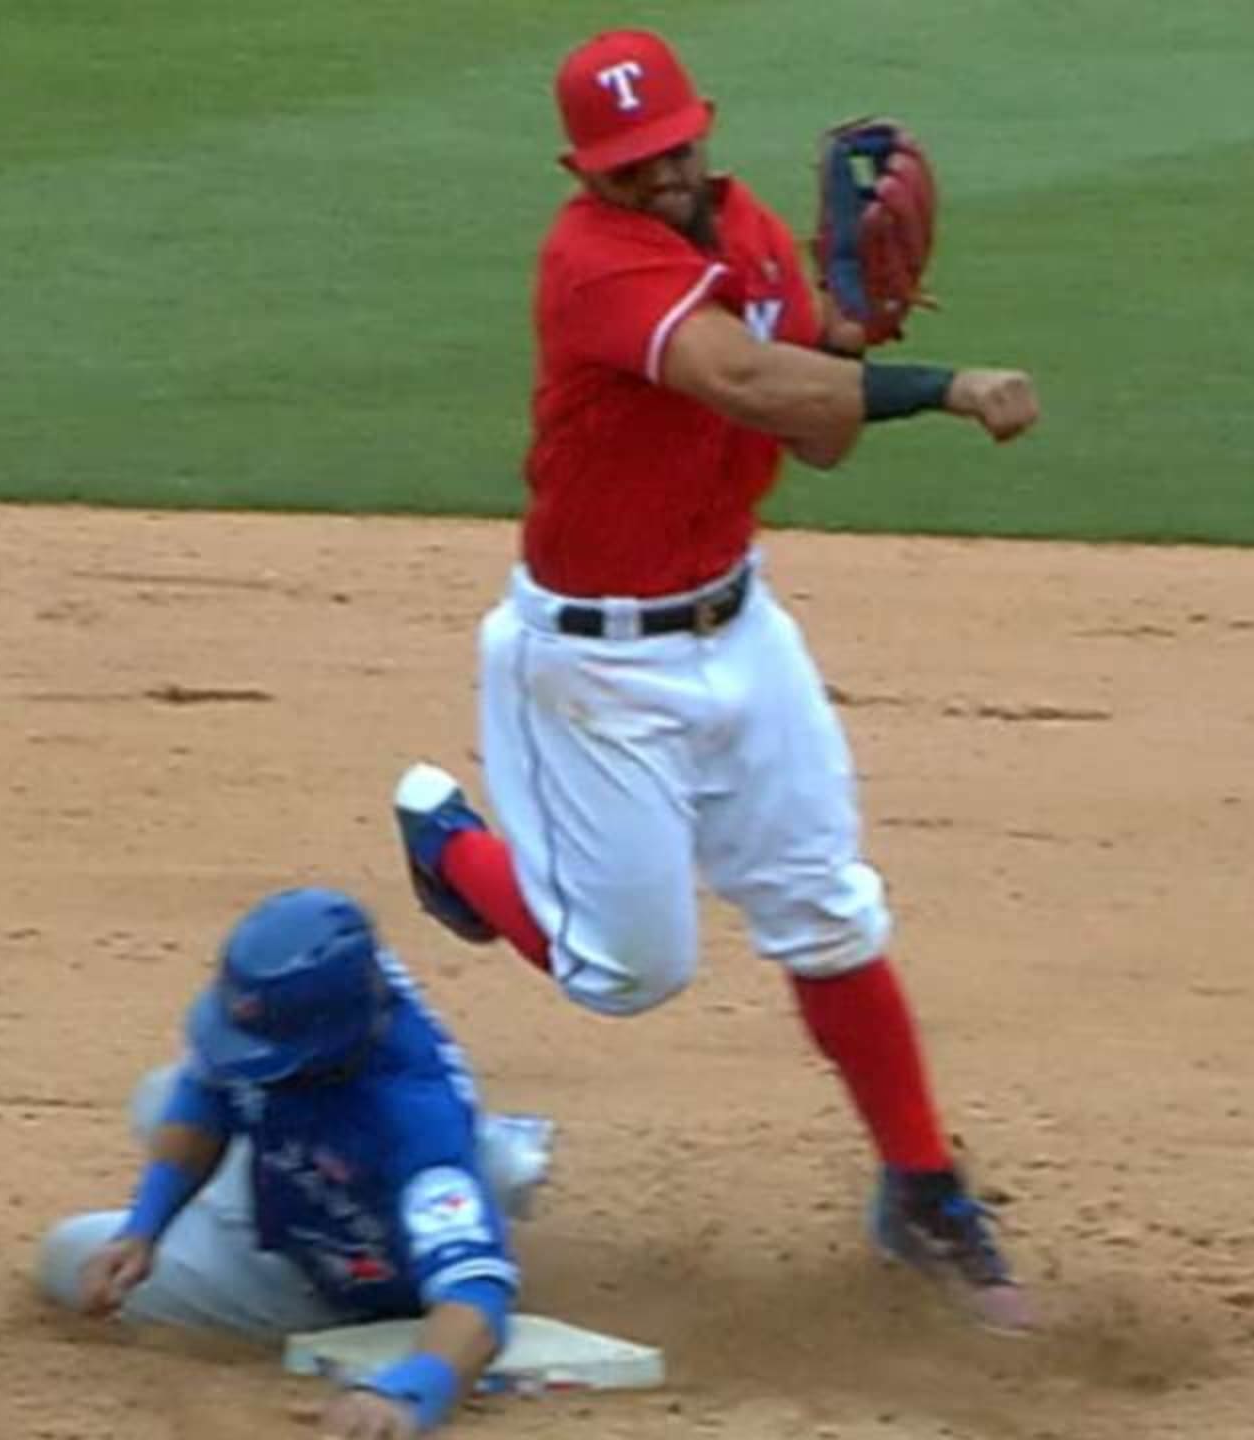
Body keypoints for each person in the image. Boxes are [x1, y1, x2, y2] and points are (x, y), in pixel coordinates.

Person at [390, 28, 1042, 1337]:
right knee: (627, 975)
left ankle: (921, 1189)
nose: (664, 181)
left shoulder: (745, 228)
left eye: (675, 151)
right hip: (588, 663)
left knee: (829, 911)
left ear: (702, 129)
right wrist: (943, 382)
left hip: (739, 625)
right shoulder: (590, 262)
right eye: (633, 168)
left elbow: (812, 428)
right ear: (589, 172)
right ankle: (451, 844)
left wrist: (849, 338)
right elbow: (736, 375)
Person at [36, 887, 554, 1439]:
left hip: (339, 1269)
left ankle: (471, 1187)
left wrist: (407, 1392)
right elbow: (208, 1087)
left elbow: (477, 1295)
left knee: (68, 1254)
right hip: (329, 1150)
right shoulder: (343, 993)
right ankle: (490, 1161)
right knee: (160, 1096)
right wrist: (144, 1227)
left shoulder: (410, 1116)